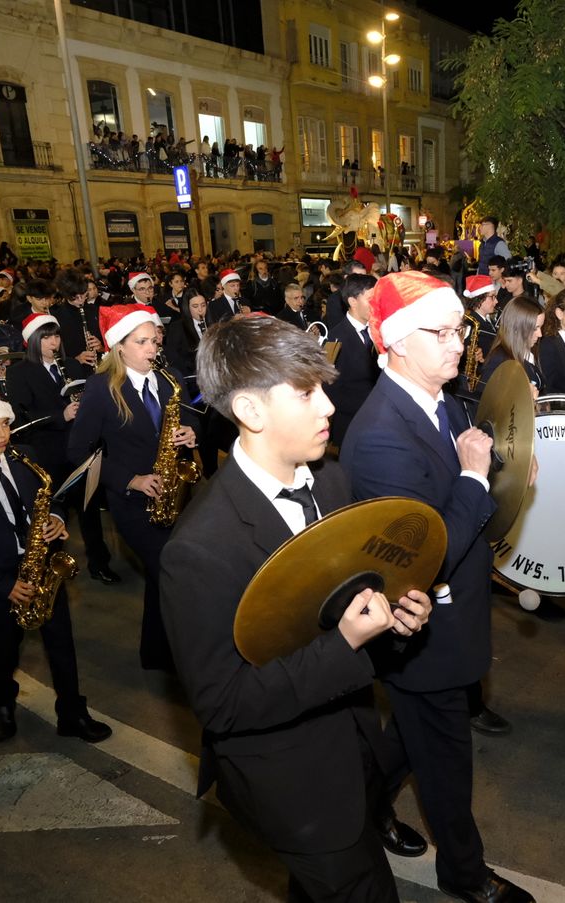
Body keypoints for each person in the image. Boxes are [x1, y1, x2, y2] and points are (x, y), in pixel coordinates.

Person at [160, 315, 432, 902]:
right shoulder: (199, 549)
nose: (329, 407)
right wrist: (348, 645)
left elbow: (342, 613)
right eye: (307, 393)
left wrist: (396, 622)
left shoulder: (331, 483)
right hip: (291, 782)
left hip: (353, 747)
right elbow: (224, 705)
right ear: (252, 412)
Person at [340, 272, 535, 903]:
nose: (459, 344)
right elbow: (431, 551)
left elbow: (468, 456)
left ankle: (357, 818)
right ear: (396, 342)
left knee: (408, 739)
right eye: (442, 332)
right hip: (421, 630)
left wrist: (504, 466)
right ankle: (464, 873)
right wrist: (478, 479)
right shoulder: (379, 437)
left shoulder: (437, 398)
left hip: (450, 617)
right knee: (446, 755)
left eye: (459, 330)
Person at [0, 381, 112, 746]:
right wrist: (2, 586)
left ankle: (72, 712)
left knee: (61, 643)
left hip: (41, 568)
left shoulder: (24, 456)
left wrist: (57, 517)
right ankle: (1, 703)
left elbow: (53, 497)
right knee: (1, 650)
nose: (3, 435)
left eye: (5, 424)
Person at [67, 305, 199, 671]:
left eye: (154, 341)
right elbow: (78, 452)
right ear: (118, 346)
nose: (151, 349)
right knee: (168, 573)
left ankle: (156, 651)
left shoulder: (170, 377)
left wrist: (192, 433)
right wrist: (131, 479)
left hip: (176, 493)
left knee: (166, 577)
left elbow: (190, 419)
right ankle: (176, 652)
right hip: (133, 503)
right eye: (141, 342)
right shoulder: (100, 388)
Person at [324, 273, 379, 448]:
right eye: (371, 298)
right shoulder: (334, 340)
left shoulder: (381, 331)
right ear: (353, 301)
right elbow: (330, 389)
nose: (376, 304)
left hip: (381, 422)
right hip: (351, 426)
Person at [479, 296, 545, 393]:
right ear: (517, 327)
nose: (540, 334)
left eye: (541, 327)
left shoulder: (528, 350)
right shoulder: (500, 362)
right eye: (535, 328)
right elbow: (488, 405)